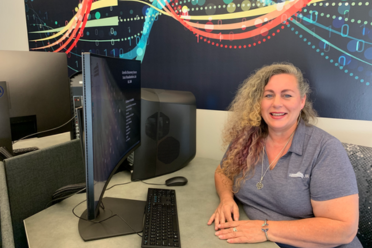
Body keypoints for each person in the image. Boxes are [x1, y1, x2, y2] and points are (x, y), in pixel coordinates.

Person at [207, 63, 362, 248]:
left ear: (302, 101)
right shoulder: (246, 139)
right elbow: (223, 172)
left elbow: (344, 230)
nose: (276, 103)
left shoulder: (325, 149)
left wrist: (264, 229)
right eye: (268, 95)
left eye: (287, 95)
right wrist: (226, 200)